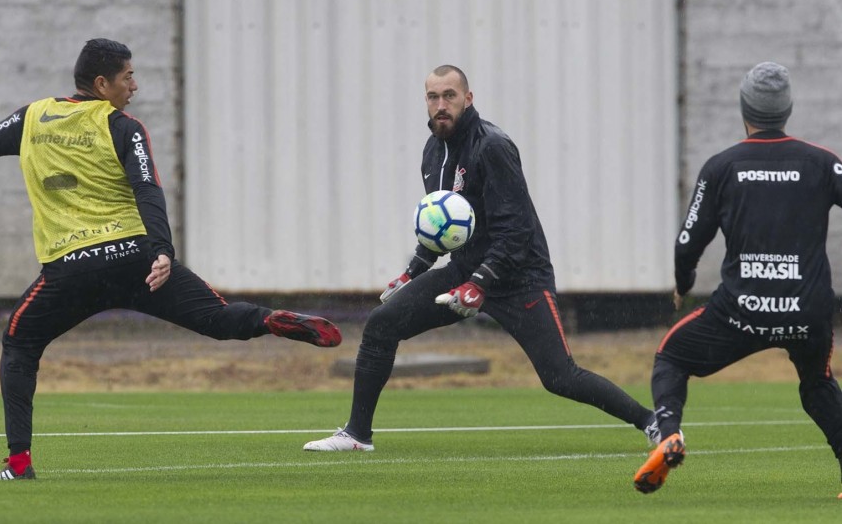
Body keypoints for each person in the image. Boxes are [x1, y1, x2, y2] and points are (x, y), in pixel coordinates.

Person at [0, 38, 342, 481]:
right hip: (135, 260)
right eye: (127, 76)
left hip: (71, 270)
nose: (134, 85)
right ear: (102, 83)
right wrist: (162, 250)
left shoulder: (32, 117)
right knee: (220, 319)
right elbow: (147, 187)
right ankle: (272, 320)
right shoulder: (123, 127)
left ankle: (19, 464)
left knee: (19, 344)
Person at [303, 64, 657, 452]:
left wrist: (480, 283)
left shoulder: (493, 147)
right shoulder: (433, 150)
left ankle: (652, 422)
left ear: (468, 99)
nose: (441, 105)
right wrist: (412, 271)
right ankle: (357, 436)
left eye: (449, 96)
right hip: (465, 272)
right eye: (433, 97)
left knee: (560, 377)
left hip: (520, 277)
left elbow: (516, 231)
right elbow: (441, 227)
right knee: (382, 325)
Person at [633, 62, 842, 496]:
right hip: (807, 311)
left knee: (672, 356)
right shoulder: (823, 163)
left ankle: (669, 432)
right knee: (818, 384)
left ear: (744, 108)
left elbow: (689, 240)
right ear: (786, 109)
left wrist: (684, 280)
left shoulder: (722, 166)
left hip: (741, 311)